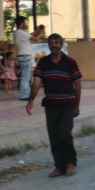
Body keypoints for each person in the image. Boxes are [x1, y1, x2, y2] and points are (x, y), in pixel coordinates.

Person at [25, 33, 82, 177]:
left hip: (67, 104)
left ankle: (70, 163)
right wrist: (31, 100)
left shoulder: (70, 62)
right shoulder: (43, 62)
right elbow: (37, 81)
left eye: (56, 42)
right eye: (51, 42)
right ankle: (59, 166)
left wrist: (76, 105)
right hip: (51, 104)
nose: (54, 45)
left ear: (61, 44)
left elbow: (78, 84)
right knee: (54, 136)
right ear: (48, 44)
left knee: (64, 133)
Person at [12, 16, 44, 101]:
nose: (26, 24)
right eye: (25, 22)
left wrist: (37, 31)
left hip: (23, 56)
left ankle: (25, 94)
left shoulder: (19, 33)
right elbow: (35, 38)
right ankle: (24, 95)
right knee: (26, 77)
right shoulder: (20, 32)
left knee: (25, 76)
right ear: (22, 23)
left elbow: (29, 35)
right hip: (25, 56)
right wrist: (41, 33)